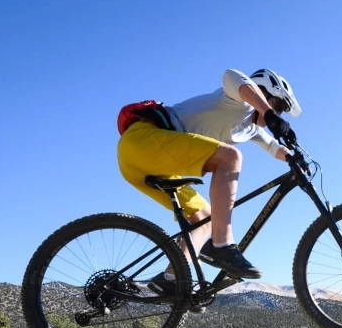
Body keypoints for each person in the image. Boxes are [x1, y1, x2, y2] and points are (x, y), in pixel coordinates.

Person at [115, 68, 300, 296]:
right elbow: (232, 75)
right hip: (143, 140)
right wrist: (269, 112)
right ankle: (222, 245)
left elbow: (273, 147)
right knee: (230, 157)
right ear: (264, 90)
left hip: (142, 163)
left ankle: (170, 279)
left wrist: (295, 156)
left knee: (204, 219)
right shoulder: (236, 100)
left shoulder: (249, 129)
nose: (278, 114)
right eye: (280, 107)